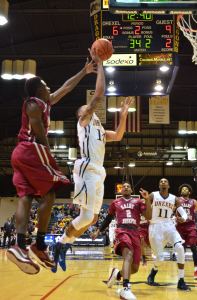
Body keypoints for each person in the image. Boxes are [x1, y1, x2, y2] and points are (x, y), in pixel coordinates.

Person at [7, 57, 97, 275]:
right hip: (31, 149)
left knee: (26, 197)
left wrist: (84, 71)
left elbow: (65, 87)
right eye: (46, 86)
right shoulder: (33, 103)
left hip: (20, 153)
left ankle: (19, 245)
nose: (50, 88)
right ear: (38, 91)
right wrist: (48, 152)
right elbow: (37, 130)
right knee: (50, 193)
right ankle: (37, 244)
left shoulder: (43, 102)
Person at [51, 53, 133, 273]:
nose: (85, 109)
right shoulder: (85, 121)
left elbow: (117, 135)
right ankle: (60, 244)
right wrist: (102, 64)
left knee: (93, 217)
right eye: (83, 109)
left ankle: (63, 245)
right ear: (81, 115)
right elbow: (98, 95)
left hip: (99, 172)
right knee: (87, 216)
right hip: (86, 168)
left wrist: (124, 114)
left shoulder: (99, 129)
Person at [91, 182, 151, 300]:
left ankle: (117, 274)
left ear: (131, 191)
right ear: (121, 191)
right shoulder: (115, 203)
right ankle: (125, 288)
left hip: (135, 233)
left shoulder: (138, 202)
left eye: (128, 186)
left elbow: (148, 216)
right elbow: (108, 219)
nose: (126, 187)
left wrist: (147, 199)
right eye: (124, 186)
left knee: (134, 268)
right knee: (128, 254)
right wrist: (98, 231)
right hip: (122, 231)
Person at [140, 178, 190, 291]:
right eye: (161, 181)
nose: (163, 182)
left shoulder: (174, 198)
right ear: (159, 185)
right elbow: (146, 211)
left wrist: (183, 218)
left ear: (169, 185)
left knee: (180, 248)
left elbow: (184, 214)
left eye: (165, 181)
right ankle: (153, 271)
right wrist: (146, 199)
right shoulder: (153, 195)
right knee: (160, 258)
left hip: (169, 226)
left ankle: (181, 280)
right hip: (155, 227)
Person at [176, 183, 197, 279]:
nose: (184, 190)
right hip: (180, 227)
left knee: (193, 247)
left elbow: (196, 214)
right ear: (181, 191)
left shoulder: (194, 202)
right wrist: (176, 218)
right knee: (182, 249)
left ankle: (196, 270)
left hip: (191, 226)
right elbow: (173, 211)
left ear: (189, 192)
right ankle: (181, 271)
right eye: (183, 189)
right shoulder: (177, 200)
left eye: (186, 189)